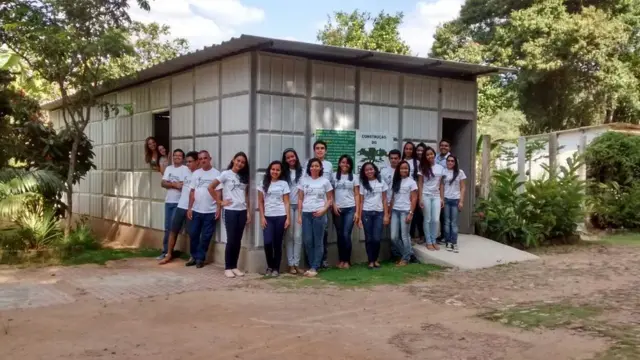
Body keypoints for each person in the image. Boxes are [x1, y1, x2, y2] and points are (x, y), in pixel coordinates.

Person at [208, 152, 252, 278]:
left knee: (238, 240)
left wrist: (248, 211)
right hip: (230, 211)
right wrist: (220, 202)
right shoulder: (225, 174)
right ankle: (227, 267)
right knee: (231, 239)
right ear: (233, 160)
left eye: (243, 162)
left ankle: (234, 266)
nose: (240, 163)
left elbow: (246, 195)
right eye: (238, 160)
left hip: (242, 210)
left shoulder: (244, 177)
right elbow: (211, 187)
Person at [159, 151, 200, 264]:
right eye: (187, 162)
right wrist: (175, 184)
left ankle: (193, 256)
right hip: (180, 205)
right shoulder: (186, 172)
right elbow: (175, 183)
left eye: (190, 162)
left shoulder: (199, 174)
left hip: (191, 207)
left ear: (197, 162)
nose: (188, 164)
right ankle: (168, 254)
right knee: (173, 230)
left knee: (192, 232)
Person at [297, 158, 333, 277]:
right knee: (307, 240)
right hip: (306, 214)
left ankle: (314, 266)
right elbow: (301, 198)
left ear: (321, 168)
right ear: (309, 168)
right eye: (312, 166)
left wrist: (323, 210)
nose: (314, 168)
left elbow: (330, 199)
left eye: (317, 166)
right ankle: (312, 264)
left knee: (318, 241)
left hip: (319, 214)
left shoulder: (325, 181)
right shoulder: (303, 181)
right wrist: (299, 215)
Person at [186, 150, 221, 268]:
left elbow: (218, 192)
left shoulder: (216, 173)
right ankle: (193, 256)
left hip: (210, 211)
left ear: (209, 158)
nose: (202, 160)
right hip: (196, 210)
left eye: (205, 158)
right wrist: (189, 208)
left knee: (206, 236)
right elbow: (192, 191)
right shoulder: (196, 173)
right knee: (193, 234)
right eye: (200, 159)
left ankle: (200, 258)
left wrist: (218, 207)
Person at [258, 161, 291, 277]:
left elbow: (286, 202)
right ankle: (269, 266)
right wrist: (262, 217)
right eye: (273, 169)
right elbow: (260, 202)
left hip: (280, 216)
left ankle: (276, 268)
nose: (275, 172)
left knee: (277, 243)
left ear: (281, 171)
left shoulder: (283, 184)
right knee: (267, 242)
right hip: (268, 217)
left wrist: (288, 218)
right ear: (269, 170)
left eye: (277, 170)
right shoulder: (263, 183)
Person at [305, 140, 334, 268]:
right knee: (309, 236)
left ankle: (323, 260)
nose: (320, 150)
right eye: (317, 148)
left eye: (322, 148)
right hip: (309, 206)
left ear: (325, 151)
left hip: (323, 205)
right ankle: (310, 262)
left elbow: (331, 185)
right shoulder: (308, 163)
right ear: (314, 150)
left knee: (324, 233)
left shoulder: (329, 165)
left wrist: (331, 204)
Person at [358, 162, 389, 270]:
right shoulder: (363, 184)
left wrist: (386, 215)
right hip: (366, 213)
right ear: (364, 172)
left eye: (371, 169)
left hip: (378, 213)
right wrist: (359, 217)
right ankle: (371, 261)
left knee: (376, 238)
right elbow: (361, 201)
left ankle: (375, 259)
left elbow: (385, 200)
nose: (369, 171)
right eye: (366, 170)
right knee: (369, 238)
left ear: (375, 170)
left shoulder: (381, 182)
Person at [332, 154, 360, 269]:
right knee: (339, 235)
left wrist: (357, 211)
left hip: (350, 208)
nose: (345, 164)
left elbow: (357, 194)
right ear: (339, 164)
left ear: (350, 165)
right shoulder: (334, 176)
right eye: (343, 162)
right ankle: (341, 260)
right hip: (337, 209)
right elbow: (330, 193)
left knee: (346, 234)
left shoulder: (354, 177)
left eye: (347, 162)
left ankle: (347, 260)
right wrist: (333, 205)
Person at [390, 161, 418, 266]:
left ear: (408, 170)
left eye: (406, 168)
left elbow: (414, 198)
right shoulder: (396, 181)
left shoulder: (412, 182)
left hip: (405, 211)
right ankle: (408, 254)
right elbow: (393, 198)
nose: (404, 170)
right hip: (395, 211)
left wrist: (411, 213)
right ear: (398, 170)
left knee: (405, 236)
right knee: (393, 237)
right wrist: (389, 212)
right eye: (402, 168)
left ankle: (405, 259)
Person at [418, 146, 445, 251]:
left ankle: (434, 240)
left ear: (434, 154)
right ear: (425, 156)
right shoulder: (422, 168)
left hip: (436, 196)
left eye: (431, 154)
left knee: (436, 219)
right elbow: (420, 183)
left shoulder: (440, 168)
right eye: (427, 154)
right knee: (427, 219)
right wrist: (420, 198)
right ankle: (428, 241)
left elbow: (441, 184)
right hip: (425, 195)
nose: (430, 156)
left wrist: (442, 198)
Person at [282, 148, 303, 274]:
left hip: (300, 206)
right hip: (288, 206)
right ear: (285, 160)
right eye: (288, 157)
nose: (291, 159)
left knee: (298, 236)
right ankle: (290, 265)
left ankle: (297, 263)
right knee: (289, 236)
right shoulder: (283, 172)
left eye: (293, 156)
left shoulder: (303, 172)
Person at [443, 155, 466, 253]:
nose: (450, 162)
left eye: (452, 161)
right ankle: (448, 242)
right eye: (448, 161)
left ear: (455, 162)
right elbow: (441, 186)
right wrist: (441, 199)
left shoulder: (460, 172)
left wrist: (461, 201)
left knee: (454, 222)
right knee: (447, 222)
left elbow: (463, 187)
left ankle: (454, 242)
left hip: (455, 199)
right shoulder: (443, 172)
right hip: (446, 199)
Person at [381, 149, 401, 260]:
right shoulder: (384, 172)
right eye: (392, 158)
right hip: (386, 204)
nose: (393, 160)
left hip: (400, 205)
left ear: (399, 159)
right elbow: (382, 190)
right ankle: (394, 254)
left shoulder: (403, 170)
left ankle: (400, 254)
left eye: (396, 158)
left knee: (399, 233)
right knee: (391, 233)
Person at [410, 143, 428, 244]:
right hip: (414, 191)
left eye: (422, 150)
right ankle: (412, 235)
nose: (419, 152)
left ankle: (423, 235)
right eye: (418, 150)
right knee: (414, 213)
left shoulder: (428, 163)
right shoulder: (413, 162)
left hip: (426, 192)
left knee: (423, 215)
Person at [436, 139, 452, 244]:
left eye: (446, 146)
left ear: (449, 148)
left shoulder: (451, 159)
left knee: (447, 216)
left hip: (447, 190)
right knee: (441, 214)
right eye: (441, 145)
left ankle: (448, 237)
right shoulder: (436, 157)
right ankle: (442, 235)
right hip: (436, 189)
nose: (443, 147)